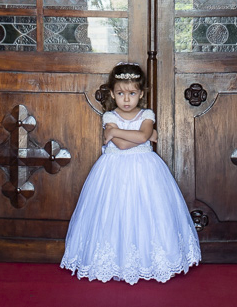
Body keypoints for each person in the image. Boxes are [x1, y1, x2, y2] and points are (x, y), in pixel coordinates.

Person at [60, 62, 201, 283]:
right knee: (116, 213)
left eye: (132, 93)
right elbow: (128, 145)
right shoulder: (109, 117)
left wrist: (119, 132)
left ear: (141, 94)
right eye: (120, 93)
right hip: (113, 171)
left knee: (146, 212)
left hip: (146, 170)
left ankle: (148, 261)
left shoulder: (147, 114)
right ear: (113, 94)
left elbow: (143, 137)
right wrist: (142, 135)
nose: (126, 99)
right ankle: (117, 261)